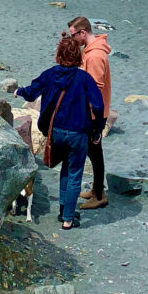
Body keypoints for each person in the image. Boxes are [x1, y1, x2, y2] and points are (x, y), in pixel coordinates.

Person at [18, 33, 106, 230]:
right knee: (74, 172)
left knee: (65, 169)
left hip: (55, 131)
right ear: (78, 56)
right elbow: (98, 106)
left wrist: (18, 91)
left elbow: (32, 91)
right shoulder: (84, 78)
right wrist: (98, 127)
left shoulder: (50, 74)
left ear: (59, 54)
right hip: (77, 133)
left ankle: (62, 210)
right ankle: (68, 218)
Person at [67, 17, 115, 210]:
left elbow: (94, 89)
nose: (72, 40)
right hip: (95, 110)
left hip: (94, 112)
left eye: (73, 35)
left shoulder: (95, 56)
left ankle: (99, 194)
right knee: (94, 152)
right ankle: (96, 189)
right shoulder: (91, 51)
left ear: (82, 33)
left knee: (95, 153)